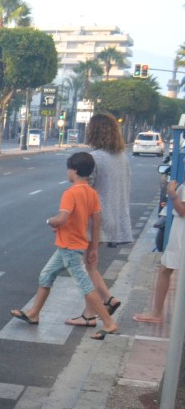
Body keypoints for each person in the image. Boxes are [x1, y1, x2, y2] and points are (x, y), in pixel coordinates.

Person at [9, 151, 118, 339]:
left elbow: (62, 218)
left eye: (68, 169)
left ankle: (108, 323)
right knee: (46, 275)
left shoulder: (70, 193)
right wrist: (93, 248)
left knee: (85, 285)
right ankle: (34, 313)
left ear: (74, 170)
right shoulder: (91, 193)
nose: (67, 173)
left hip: (70, 247)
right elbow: (96, 220)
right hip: (72, 244)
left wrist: (50, 221)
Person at [83, 112, 130, 317]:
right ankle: (89, 313)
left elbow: (85, 191)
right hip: (113, 216)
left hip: (96, 219)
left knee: (86, 267)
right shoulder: (121, 157)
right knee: (89, 265)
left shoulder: (95, 158)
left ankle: (106, 301)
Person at [133, 175, 185, 325]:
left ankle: (156, 312)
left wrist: (172, 194)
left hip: (181, 232)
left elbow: (182, 211)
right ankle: (156, 312)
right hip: (179, 230)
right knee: (165, 269)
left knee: (166, 269)